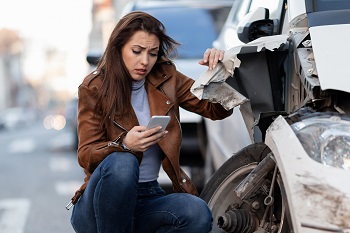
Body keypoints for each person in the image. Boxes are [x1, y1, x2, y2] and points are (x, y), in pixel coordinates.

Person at [68, 11, 232, 233]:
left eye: (152, 53)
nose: (144, 61)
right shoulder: (95, 86)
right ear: (118, 49)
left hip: (147, 197)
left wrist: (219, 73)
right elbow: (86, 154)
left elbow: (216, 110)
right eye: (136, 51)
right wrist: (125, 144)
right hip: (99, 206)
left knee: (197, 213)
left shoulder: (166, 77)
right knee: (123, 163)